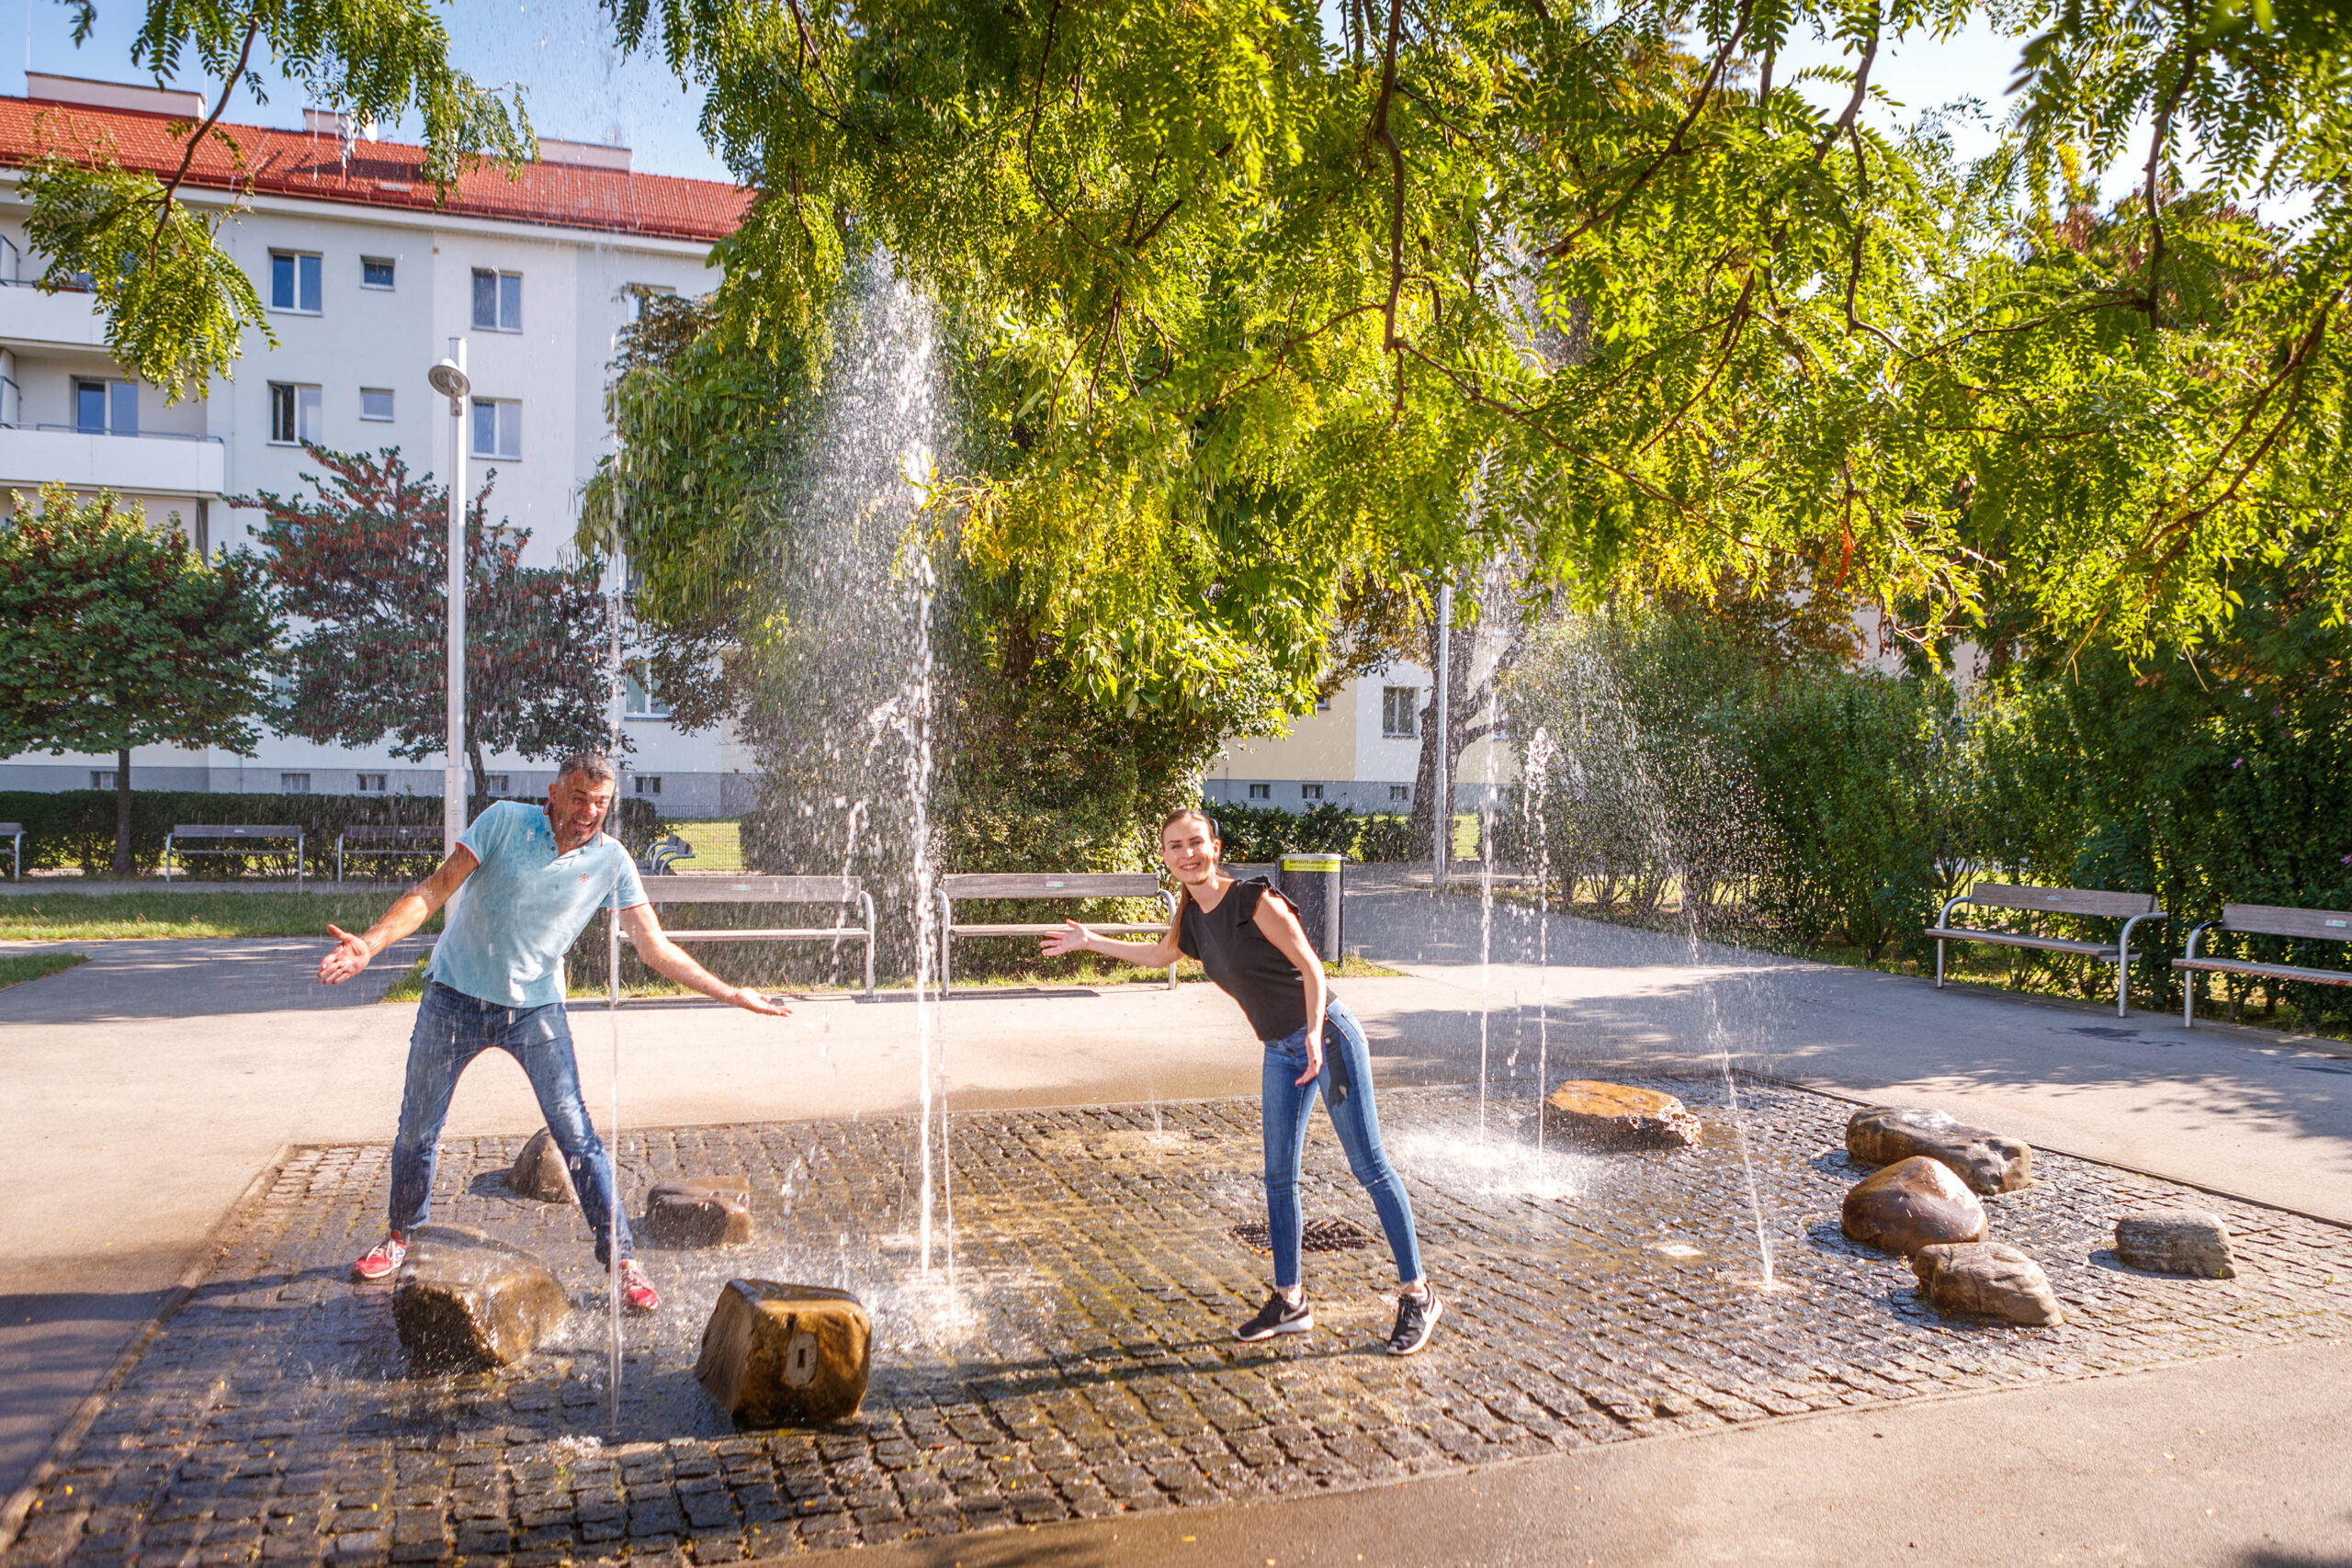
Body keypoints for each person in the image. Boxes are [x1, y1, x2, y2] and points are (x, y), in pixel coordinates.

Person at [317, 752, 789, 1312]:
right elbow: (434, 891)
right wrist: (370, 944)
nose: (589, 812)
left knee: (578, 1136)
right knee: (416, 1130)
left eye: (601, 803)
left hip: (535, 1010)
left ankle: (622, 1260)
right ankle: (400, 1235)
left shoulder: (611, 861)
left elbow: (652, 947)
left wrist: (731, 993)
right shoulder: (502, 822)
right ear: (554, 793)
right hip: (454, 998)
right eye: (580, 798)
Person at [1042, 807, 1441, 1355]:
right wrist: (1090, 940)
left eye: (1197, 843)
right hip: (1279, 1050)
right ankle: (1290, 1300)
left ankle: (1418, 1294)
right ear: (1166, 856)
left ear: (1216, 847)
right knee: (1278, 1178)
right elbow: (1159, 955)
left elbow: (1312, 967)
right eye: (1176, 846)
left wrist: (1314, 1031)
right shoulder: (1193, 917)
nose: (1188, 854)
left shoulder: (1254, 901)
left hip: (1328, 1037)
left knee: (1368, 1166)